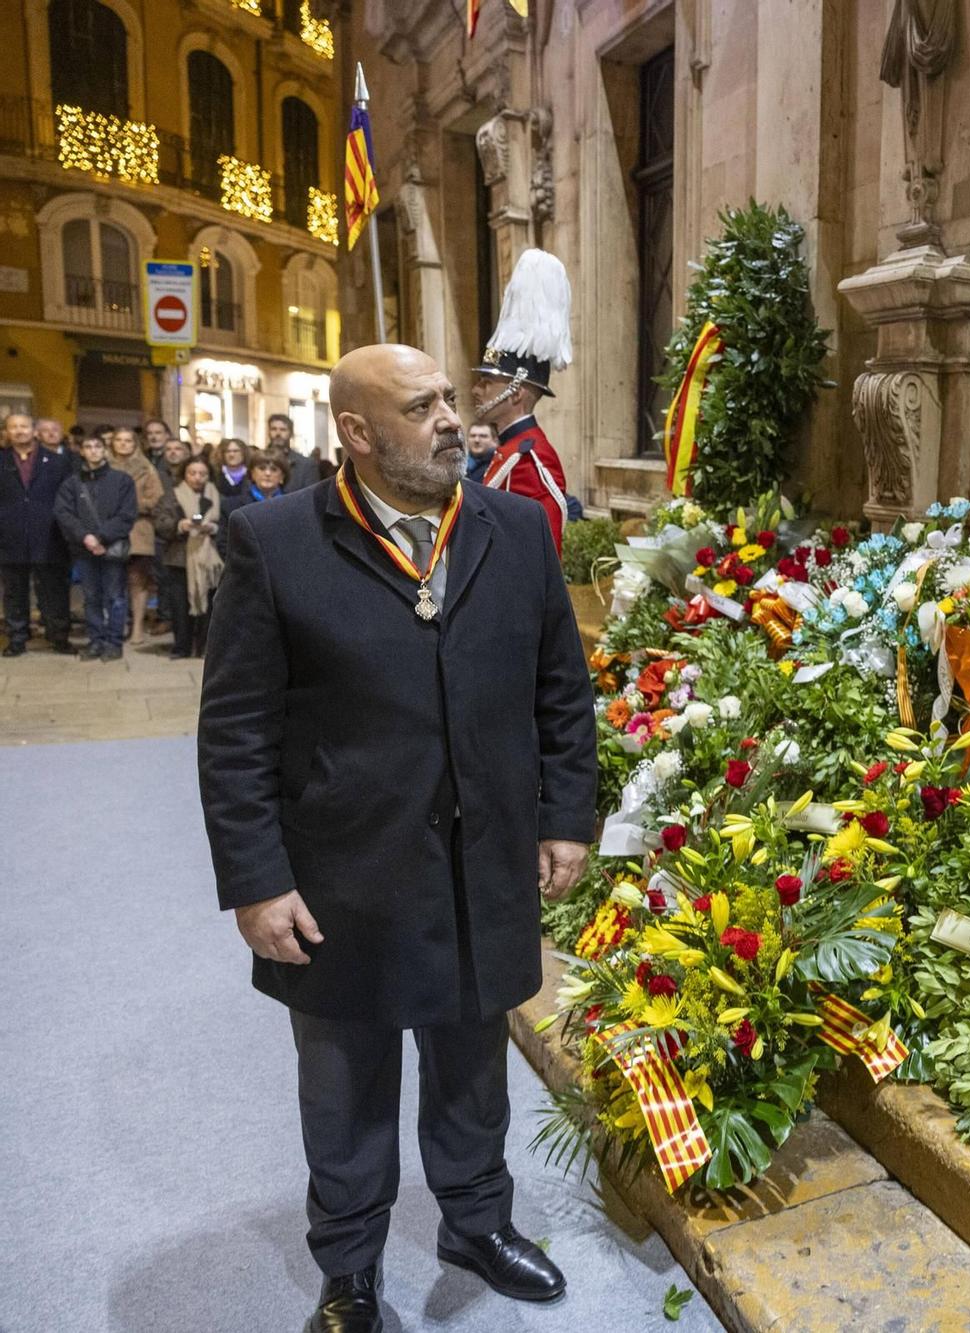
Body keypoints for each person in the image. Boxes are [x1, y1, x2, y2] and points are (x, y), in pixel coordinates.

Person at [198, 343, 595, 1333]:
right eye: (422, 407)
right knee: (347, 1089)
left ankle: (475, 1222)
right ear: (361, 433)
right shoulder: (276, 541)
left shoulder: (515, 529)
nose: (453, 417)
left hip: (481, 866)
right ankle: (350, 1268)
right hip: (345, 877)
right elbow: (236, 731)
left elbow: (561, 692)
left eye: (451, 398)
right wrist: (256, 881)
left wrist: (564, 818)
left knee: (473, 1070)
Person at [472, 249, 572, 556]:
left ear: (516, 392)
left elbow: (541, 554)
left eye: (487, 383)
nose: (477, 390)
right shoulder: (511, 450)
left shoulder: (530, 458)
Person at [52, 432, 136, 661]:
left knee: (115, 597)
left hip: (112, 547)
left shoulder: (122, 480)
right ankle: (96, 641)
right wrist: (86, 537)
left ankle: (114, 642)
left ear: (105, 450)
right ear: (82, 451)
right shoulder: (72, 483)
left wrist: (100, 537)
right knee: (91, 597)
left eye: (98, 446)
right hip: (84, 549)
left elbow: (127, 515)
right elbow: (64, 513)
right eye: (88, 447)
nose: (93, 451)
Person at [0, 412, 75, 656]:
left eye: (24, 426)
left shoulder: (57, 462)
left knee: (53, 590)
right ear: (7, 433)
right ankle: (17, 638)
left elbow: (68, 499)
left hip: (50, 536)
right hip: (10, 537)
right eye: (13, 427)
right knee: (14, 592)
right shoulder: (2, 461)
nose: (19, 431)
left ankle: (58, 636)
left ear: (34, 431)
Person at [154, 456, 223, 659]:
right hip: (179, 557)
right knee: (180, 606)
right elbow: (160, 521)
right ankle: (182, 646)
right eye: (192, 473)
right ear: (184, 474)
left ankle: (204, 647)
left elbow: (227, 523)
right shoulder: (172, 496)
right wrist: (180, 525)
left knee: (209, 607)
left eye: (202, 473)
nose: (197, 478)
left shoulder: (215, 495)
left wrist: (214, 528)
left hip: (210, 560)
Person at [107, 427, 164, 643]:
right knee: (113, 581)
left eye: (128, 440)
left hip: (139, 530)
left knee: (137, 580)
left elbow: (156, 498)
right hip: (110, 530)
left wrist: (129, 506)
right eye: (119, 440)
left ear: (135, 444)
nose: (123, 444)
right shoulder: (103, 467)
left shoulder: (146, 468)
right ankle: (117, 624)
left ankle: (137, 626)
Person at [217, 448, 287, 561]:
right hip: (245, 572)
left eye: (274, 469)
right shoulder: (231, 506)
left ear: (282, 477)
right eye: (262, 468)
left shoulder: (292, 506)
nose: (267, 473)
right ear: (252, 474)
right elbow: (224, 545)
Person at [269, 413, 318, 493]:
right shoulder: (257, 461)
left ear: (290, 433)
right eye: (274, 429)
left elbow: (311, 496)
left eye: (283, 429)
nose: (278, 433)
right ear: (269, 432)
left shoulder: (306, 465)